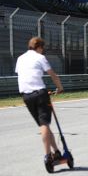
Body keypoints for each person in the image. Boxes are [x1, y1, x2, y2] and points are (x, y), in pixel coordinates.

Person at [15, 37, 64, 166]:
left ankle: (57, 152)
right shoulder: (40, 57)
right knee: (45, 124)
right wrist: (60, 88)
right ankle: (48, 155)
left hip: (26, 95)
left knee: (44, 125)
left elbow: (21, 74)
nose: (43, 51)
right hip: (39, 93)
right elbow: (53, 75)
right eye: (43, 49)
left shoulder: (20, 58)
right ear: (39, 47)